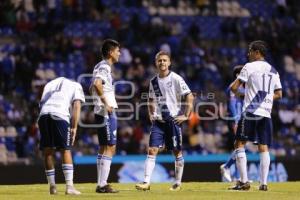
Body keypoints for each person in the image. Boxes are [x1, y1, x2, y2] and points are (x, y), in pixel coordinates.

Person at [135, 51, 194, 191]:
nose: (162, 62)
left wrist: (186, 115)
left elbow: (190, 96)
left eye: (164, 60)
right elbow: (150, 99)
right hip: (158, 122)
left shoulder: (176, 79)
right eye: (159, 60)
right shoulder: (153, 82)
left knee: (177, 152)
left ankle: (177, 183)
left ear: (169, 62)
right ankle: (146, 182)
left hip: (172, 120)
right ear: (156, 63)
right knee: (152, 150)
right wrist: (151, 113)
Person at [229, 40, 282, 191]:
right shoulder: (274, 70)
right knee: (263, 147)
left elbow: (233, 87)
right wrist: (264, 98)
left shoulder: (249, 66)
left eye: (250, 51)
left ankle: (244, 182)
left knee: (239, 144)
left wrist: (241, 95)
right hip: (266, 113)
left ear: (257, 52)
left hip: (251, 111)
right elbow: (279, 94)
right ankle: (263, 184)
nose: (248, 54)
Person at [38, 77, 85, 195]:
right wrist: (74, 127)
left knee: (48, 151)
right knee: (65, 150)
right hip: (60, 114)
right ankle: (69, 187)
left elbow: (41, 102)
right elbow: (77, 105)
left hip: (43, 114)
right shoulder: (76, 85)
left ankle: (52, 187)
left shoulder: (49, 83)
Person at [90, 39, 120, 193]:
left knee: (104, 147)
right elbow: (96, 84)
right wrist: (105, 102)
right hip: (105, 111)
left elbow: (91, 86)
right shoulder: (104, 66)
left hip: (101, 110)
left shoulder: (99, 66)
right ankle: (102, 184)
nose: (119, 53)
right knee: (110, 147)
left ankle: (101, 183)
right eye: (117, 50)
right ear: (110, 52)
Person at [220, 65, 244, 182]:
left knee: (240, 147)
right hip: (235, 119)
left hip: (241, 119)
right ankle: (227, 167)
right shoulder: (232, 87)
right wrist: (235, 120)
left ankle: (238, 176)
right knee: (240, 146)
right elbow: (232, 104)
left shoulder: (243, 87)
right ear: (237, 75)